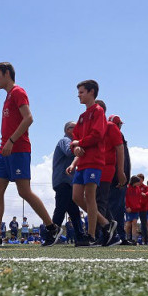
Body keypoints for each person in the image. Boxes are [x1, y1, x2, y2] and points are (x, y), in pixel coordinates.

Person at [0, 62, 62, 247]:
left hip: (18, 148)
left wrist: (12, 141)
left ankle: (52, 227)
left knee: (24, 191)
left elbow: (29, 118)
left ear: (7, 73)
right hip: (4, 149)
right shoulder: (7, 97)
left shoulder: (18, 92)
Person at [66, 80, 116, 246]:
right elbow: (75, 140)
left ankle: (92, 235)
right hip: (83, 163)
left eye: (81, 92)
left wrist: (79, 144)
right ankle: (106, 224)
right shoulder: (81, 117)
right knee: (76, 197)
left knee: (90, 197)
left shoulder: (98, 111)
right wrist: (76, 149)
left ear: (91, 92)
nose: (78, 95)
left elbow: (97, 135)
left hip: (94, 161)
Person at [93, 101, 126, 246]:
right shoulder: (93, 128)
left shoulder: (111, 127)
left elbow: (120, 149)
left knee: (101, 201)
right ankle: (111, 230)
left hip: (106, 168)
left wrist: (121, 171)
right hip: (94, 168)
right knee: (95, 200)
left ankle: (105, 234)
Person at [51, 121, 87, 245]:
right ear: (68, 130)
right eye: (75, 128)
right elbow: (69, 151)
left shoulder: (70, 141)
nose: (78, 129)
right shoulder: (65, 141)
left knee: (74, 211)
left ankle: (80, 236)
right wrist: (80, 146)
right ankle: (51, 234)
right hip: (63, 180)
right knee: (61, 209)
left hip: (68, 182)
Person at [106, 115, 133, 245]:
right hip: (117, 179)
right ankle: (115, 235)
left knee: (118, 208)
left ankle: (120, 236)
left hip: (120, 179)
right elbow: (119, 159)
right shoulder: (116, 136)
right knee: (113, 208)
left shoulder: (117, 136)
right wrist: (120, 175)